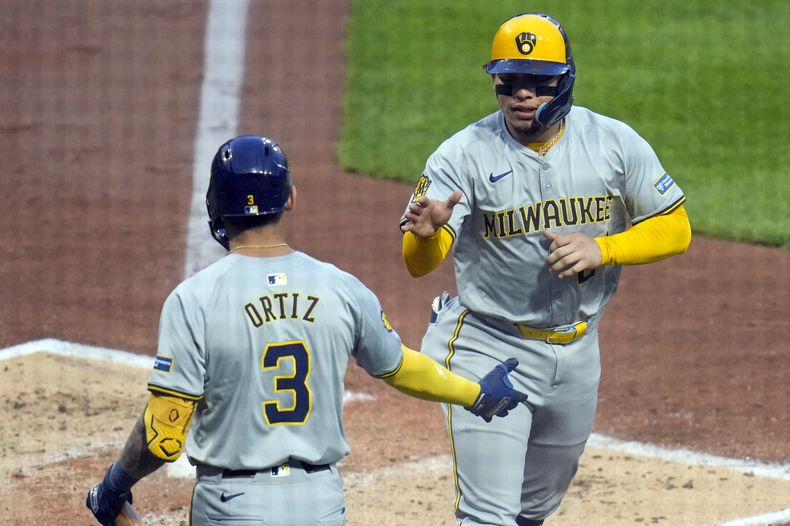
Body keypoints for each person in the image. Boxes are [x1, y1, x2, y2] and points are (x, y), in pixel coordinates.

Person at [84, 135, 528, 526]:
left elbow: (163, 437)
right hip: (322, 504)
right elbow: (398, 365)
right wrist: (477, 394)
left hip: (232, 506)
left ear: (215, 204)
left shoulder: (194, 298)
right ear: (291, 197)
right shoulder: (340, 286)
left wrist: (114, 486)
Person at [399, 12, 692, 526]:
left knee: (533, 510)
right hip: (490, 347)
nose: (521, 95)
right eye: (507, 82)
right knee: (490, 515)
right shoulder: (461, 155)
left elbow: (676, 227)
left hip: (578, 349)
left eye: (537, 83)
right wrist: (423, 238)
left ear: (565, 81)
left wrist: (604, 249)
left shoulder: (613, 143)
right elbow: (420, 266)